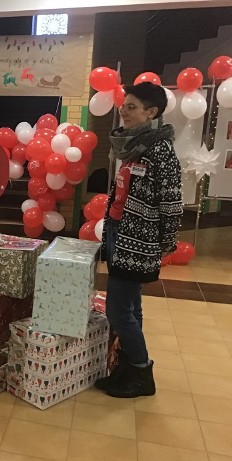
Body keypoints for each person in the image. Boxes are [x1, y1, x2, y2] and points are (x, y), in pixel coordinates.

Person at [96, 82, 183, 398]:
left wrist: (164, 244)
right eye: (124, 105)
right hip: (120, 234)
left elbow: (171, 204)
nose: (124, 111)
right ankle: (129, 368)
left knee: (118, 311)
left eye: (132, 106)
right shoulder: (133, 146)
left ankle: (142, 372)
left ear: (152, 112)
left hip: (139, 242)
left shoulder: (161, 151)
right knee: (130, 306)